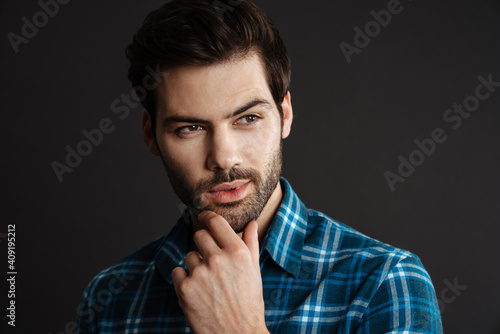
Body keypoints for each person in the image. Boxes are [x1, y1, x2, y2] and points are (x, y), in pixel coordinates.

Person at [76, 0, 443, 332]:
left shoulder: (383, 283)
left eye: (247, 118)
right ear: (151, 134)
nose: (223, 157)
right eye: (190, 128)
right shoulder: (108, 298)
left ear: (284, 115)